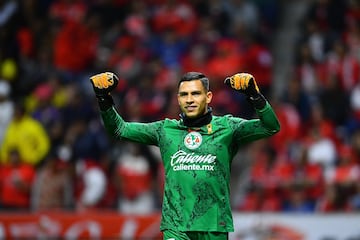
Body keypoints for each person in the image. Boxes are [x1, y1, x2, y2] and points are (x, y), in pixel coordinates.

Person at [89, 71, 280, 239]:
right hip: (176, 225)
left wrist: (255, 96)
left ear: (209, 96)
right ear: (178, 99)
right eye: (184, 95)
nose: (189, 100)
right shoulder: (164, 130)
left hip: (214, 224)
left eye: (196, 93)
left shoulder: (228, 128)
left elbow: (270, 127)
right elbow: (119, 129)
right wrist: (103, 98)